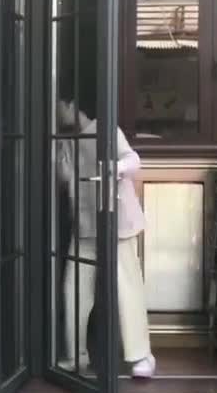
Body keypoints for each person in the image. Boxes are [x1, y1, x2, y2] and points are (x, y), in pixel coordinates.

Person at [56, 99, 155, 378]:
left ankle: (141, 355)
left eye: (58, 106)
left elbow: (133, 160)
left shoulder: (106, 129)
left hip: (116, 223)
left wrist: (114, 167)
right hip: (85, 225)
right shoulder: (65, 139)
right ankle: (76, 355)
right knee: (74, 290)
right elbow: (64, 178)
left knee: (127, 289)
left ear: (72, 105)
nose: (55, 112)